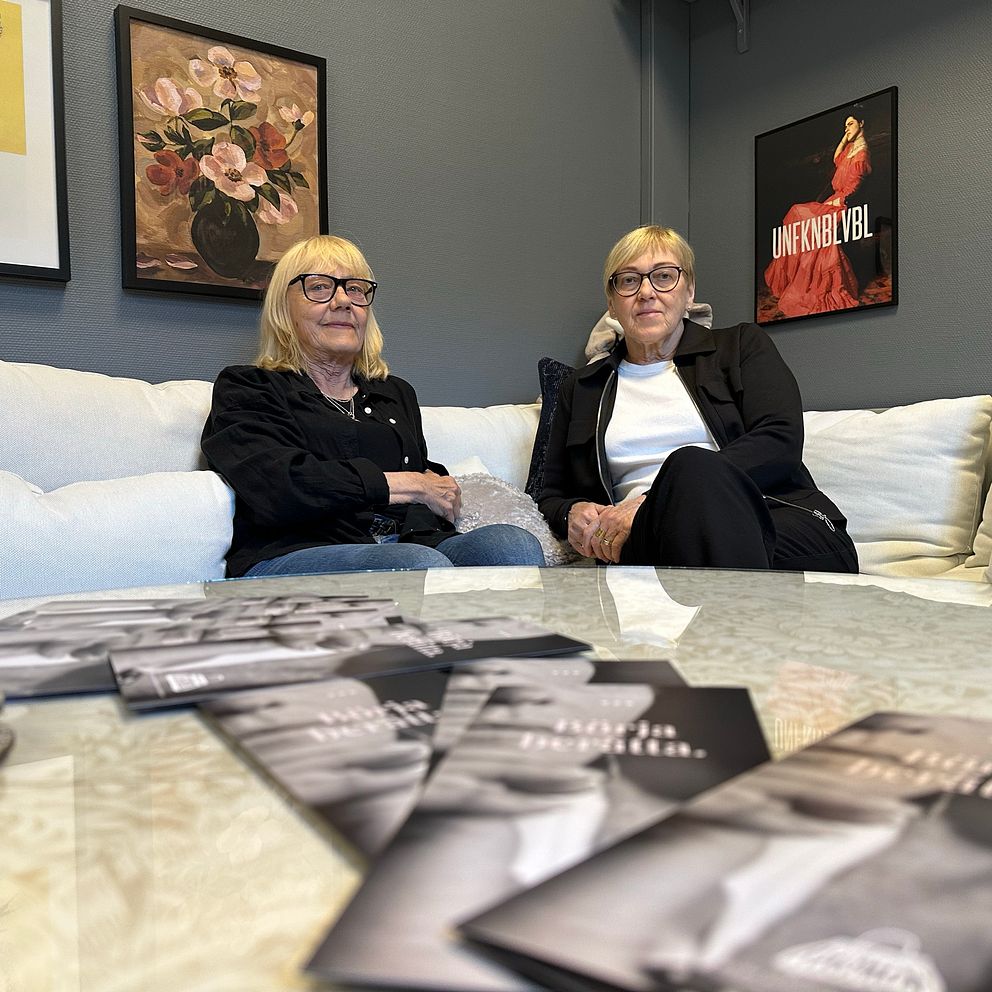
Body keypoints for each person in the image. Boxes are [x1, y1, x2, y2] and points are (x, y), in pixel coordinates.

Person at [201, 235, 544, 577]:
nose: (342, 301)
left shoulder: (394, 393)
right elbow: (280, 487)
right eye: (319, 287)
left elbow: (422, 477)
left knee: (512, 544)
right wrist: (412, 485)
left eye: (355, 289)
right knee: (417, 566)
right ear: (283, 308)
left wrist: (437, 485)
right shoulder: (249, 388)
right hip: (299, 550)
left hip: (410, 542)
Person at [538, 224, 858, 573]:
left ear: (689, 292)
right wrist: (571, 513)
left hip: (774, 520)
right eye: (629, 281)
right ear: (612, 303)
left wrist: (650, 500)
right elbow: (548, 493)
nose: (646, 292)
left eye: (664, 276)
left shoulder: (740, 347)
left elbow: (780, 439)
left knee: (690, 466)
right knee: (685, 502)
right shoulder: (582, 388)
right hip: (648, 540)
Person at [763, 109, 872, 317]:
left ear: (862, 123)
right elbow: (836, 158)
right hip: (833, 201)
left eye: (850, 124)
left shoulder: (861, 155)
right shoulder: (851, 149)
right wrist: (846, 136)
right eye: (845, 126)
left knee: (800, 215)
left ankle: (810, 284)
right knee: (796, 213)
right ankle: (790, 277)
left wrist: (836, 202)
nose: (847, 128)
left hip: (841, 204)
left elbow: (854, 190)